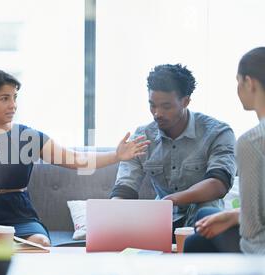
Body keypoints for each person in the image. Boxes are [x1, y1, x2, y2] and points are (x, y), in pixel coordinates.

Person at [0, 69, 150, 247]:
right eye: (4, 98)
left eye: (14, 97)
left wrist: (117, 156)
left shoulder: (28, 136)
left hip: (20, 216)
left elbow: (76, 160)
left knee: (41, 243)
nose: (13, 105)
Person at [110, 64, 237, 232]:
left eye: (166, 106)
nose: (157, 113)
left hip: (203, 218)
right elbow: (125, 187)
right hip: (162, 218)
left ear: (185, 101)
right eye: (152, 105)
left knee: (207, 210)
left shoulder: (218, 132)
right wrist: (111, 214)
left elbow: (219, 184)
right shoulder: (142, 137)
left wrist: (173, 200)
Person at [185, 47, 265, 254]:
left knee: (199, 230)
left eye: (238, 81)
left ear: (250, 83)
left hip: (259, 253)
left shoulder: (252, 142)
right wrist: (231, 215)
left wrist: (235, 217)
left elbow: (252, 227)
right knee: (203, 224)